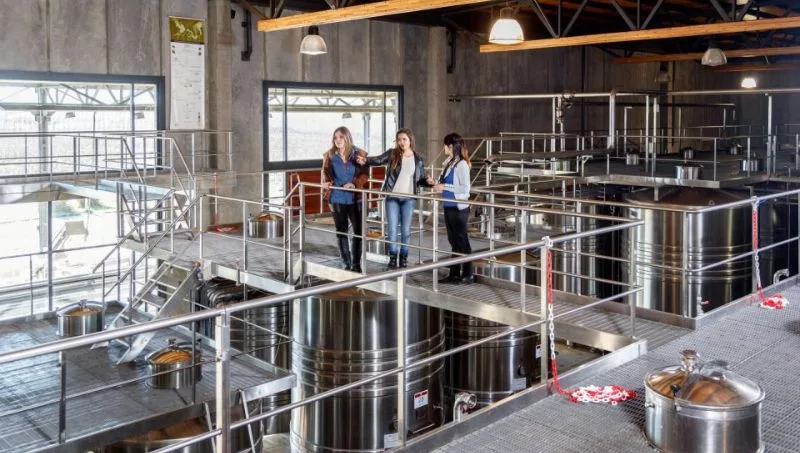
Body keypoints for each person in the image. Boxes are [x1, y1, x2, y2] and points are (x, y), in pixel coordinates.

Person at [357, 128, 431, 269]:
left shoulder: (418, 159)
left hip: (409, 199)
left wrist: (429, 182)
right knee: (392, 230)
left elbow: (421, 179)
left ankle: (403, 258)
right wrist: (365, 160)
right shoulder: (393, 154)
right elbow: (378, 160)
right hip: (392, 198)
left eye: (404, 139)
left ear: (410, 140)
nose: (401, 142)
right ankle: (392, 258)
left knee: (406, 231)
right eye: (399, 140)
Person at [322, 126, 368, 273]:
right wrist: (325, 183)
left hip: (355, 197)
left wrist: (355, 184)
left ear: (347, 137)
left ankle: (356, 264)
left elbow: (364, 174)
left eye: (341, 137)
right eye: (335, 138)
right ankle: (346, 262)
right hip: (337, 196)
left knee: (358, 231)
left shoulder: (359, 154)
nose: (338, 140)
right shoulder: (329, 155)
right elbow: (325, 173)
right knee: (341, 230)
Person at [431, 133, 474, 284]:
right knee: (454, 241)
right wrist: (435, 182)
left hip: (458, 208)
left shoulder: (461, 164)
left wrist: (444, 187)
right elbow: (445, 182)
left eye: (445, 145)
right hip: (448, 206)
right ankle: (454, 274)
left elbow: (465, 189)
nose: (443, 148)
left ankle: (468, 274)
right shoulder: (449, 163)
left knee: (462, 241)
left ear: (450, 146)